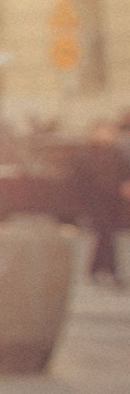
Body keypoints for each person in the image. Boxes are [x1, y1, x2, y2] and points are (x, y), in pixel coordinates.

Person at [71, 119, 123, 283]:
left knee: (105, 235)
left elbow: (124, 173)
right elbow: (82, 181)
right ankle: (110, 271)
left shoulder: (117, 153)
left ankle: (95, 270)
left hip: (114, 202)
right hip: (95, 201)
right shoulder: (87, 155)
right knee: (106, 234)